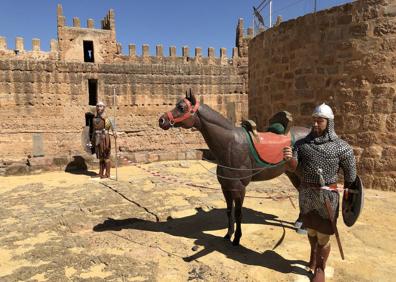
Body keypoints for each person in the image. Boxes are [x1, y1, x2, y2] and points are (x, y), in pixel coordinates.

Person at [283, 103, 356, 282]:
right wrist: (288, 160)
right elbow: (294, 168)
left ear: (329, 122)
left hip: (327, 197)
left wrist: (349, 199)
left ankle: (320, 269)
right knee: (311, 231)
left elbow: (351, 178)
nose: (315, 124)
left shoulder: (342, 148)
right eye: (314, 121)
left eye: (320, 121)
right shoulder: (302, 145)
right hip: (307, 194)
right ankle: (313, 257)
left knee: (323, 234)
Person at [91, 101, 117, 178]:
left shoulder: (108, 119)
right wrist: (92, 140)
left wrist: (115, 133)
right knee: (100, 157)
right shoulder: (95, 118)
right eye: (98, 106)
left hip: (105, 138)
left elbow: (113, 128)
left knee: (106, 156)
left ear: (104, 108)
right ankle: (100, 173)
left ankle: (107, 174)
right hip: (97, 138)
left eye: (101, 106)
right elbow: (94, 130)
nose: (99, 108)